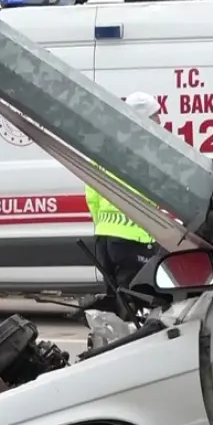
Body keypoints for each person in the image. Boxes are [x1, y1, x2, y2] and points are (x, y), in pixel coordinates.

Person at [85, 92, 162, 293]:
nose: (160, 121)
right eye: (156, 116)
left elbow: (91, 193)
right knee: (136, 301)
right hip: (133, 240)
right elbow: (155, 194)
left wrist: (103, 224)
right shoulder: (146, 150)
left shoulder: (105, 148)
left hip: (104, 240)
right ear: (144, 119)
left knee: (115, 302)